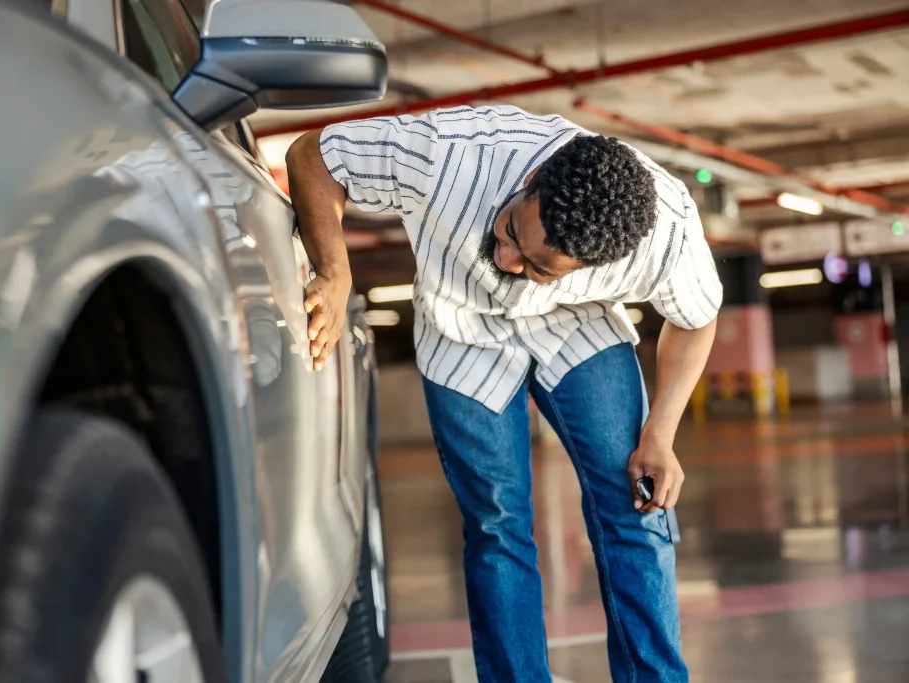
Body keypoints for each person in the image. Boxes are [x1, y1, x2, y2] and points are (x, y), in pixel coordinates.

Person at [285, 104, 722, 683]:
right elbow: (313, 155)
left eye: (540, 266)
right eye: (514, 229)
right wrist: (334, 268)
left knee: (637, 503)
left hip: (577, 324)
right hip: (460, 329)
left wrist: (660, 435)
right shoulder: (448, 152)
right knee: (497, 526)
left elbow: (696, 319)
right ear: (532, 180)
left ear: (600, 263)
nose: (508, 260)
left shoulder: (665, 233)